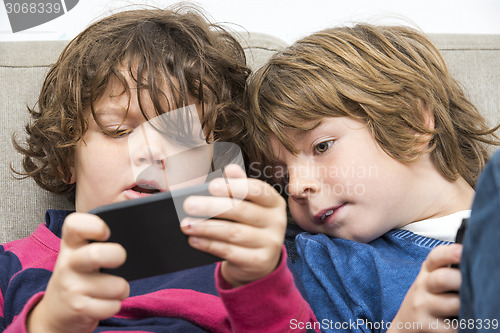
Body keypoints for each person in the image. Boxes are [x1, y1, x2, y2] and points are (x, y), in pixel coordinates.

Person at [0, 7, 317, 333]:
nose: (152, 153)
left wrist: (261, 285)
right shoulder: (11, 266)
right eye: (119, 131)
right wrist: (48, 322)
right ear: (67, 158)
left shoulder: (242, 254)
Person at [245, 23, 499, 332]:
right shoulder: (330, 264)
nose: (296, 187)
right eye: (282, 179)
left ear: (411, 122)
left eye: (322, 146)